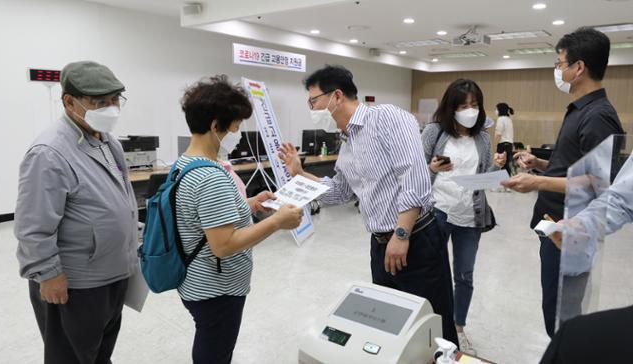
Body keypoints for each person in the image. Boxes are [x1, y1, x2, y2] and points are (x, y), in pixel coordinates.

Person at [279, 65, 459, 345]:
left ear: (336, 96)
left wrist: (402, 234)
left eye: (313, 101)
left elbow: (414, 176)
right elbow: (340, 192)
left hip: (416, 239)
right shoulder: (348, 141)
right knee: (391, 326)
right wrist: (301, 173)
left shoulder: (387, 118)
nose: (312, 109)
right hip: (380, 245)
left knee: (432, 327)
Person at [501, 27, 624, 337]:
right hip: (553, 225)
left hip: (569, 233)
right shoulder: (580, 110)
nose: (558, 70)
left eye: (560, 63)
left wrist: (537, 183)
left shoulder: (598, 116)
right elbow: (576, 167)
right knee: (553, 312)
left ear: (578, 67)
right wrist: (542, 165)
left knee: (563, 320)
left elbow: (601, 183)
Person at [14, 61, 137, 364]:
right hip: (75, 285)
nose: (111, 108)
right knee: (70, 357)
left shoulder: (107, 141)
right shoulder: (49, 152)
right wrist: (47, 274)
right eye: (99, 102)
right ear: (69, 101)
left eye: (114, 100)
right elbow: (33, 227)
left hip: (113, 275)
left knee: (99, 351)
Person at [176, 75, 303, 364]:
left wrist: (249, 203)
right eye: (236, 126)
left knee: (209, 339)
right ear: (215, 125)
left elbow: (201, 215)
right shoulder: (211, 177)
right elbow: (223, 245)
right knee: (215, 350)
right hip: (216, 287)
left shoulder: (185, 164)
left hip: (194, 280)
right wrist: (276, 222)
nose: (238, 134)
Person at [422, 79, 506, 355]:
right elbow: (418, 173)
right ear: (451, 107)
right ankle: (431, 330)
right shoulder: (435, 132)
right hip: (439, 210)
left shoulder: (482, 136)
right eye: (463, 105)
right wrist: (433, 168)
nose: (470, 110)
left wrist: (497, 166)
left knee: (464, 276)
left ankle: (458, 331)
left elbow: (482, 174)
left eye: (474, 105)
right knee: (433, 273)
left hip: (471, 215)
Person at [541, 155, 633, 363]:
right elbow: (622, 199)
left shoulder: (597, 122)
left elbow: (596, 179)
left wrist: (538, 181)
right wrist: (583, 225)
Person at [494, 102, 515, 178]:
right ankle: (507, 183)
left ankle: (502, 183)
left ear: (500, 110)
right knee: (506, 164)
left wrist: (495, 145)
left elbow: (498, 134)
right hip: (509, 144)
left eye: (496, 109)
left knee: (500, 164)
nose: (495, 111)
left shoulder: (500, 119)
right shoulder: (509, 119)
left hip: (502, 144)